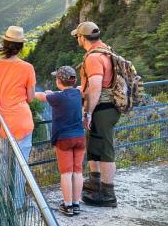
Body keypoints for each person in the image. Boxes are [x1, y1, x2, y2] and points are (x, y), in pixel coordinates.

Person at [72, 21, 120, 207]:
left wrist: (88, 113)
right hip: (109, 106)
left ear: (83, 38)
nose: (77, 39)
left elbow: (96, 87)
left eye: (78, 36)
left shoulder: (93, 58)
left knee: (106, 150)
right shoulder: (106, 49)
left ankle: (108, 194)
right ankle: (94, 183)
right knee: (95, 146)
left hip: (102, 108)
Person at [35, 66, 85, 217]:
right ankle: (76, 204)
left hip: (64, 139)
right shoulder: (78, 92)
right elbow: (82, 87)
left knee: (66, 173)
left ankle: (67, 205)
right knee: (77, 171)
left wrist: (47, 93)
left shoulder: (56, 97)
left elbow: (38, 96)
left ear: (58, 81)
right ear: (74, 80)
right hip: (80, 137)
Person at [0, 25, 36, 160]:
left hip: (0, 122)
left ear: (4, 44)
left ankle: (5, 183)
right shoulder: (28, 68)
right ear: (21, 47)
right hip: (21, 121)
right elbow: (30, 98)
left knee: (4, 162)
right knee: (20, 166)